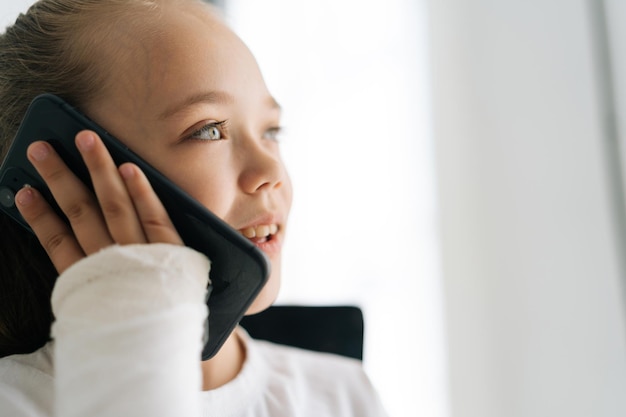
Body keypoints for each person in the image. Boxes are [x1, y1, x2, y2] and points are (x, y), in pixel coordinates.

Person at [0, 0, 388, 416]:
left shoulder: (342, 395)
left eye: (271, 130)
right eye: (209, 130)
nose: (270, 169)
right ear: (67, 176)